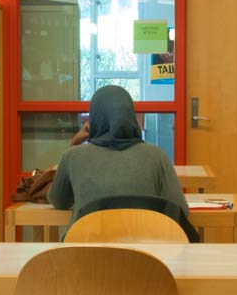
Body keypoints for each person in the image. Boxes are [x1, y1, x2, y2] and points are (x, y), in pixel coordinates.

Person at [47, 85, 188, 223]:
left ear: (94, 119)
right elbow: (180, 208)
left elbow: (58, 201)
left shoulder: (73, 156)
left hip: (87, 237)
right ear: (131, 117)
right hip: (143, 238)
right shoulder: (156, 156)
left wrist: (74, 143)